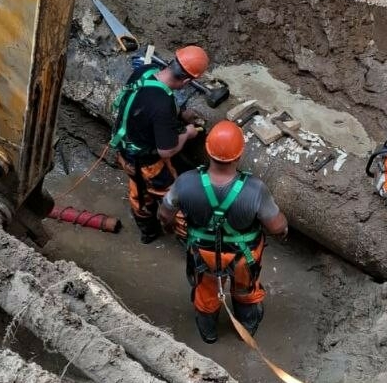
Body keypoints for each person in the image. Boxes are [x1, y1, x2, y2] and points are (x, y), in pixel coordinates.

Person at [159, 120, 288, 344]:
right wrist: (283, 230)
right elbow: (278, 227)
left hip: (203, 255)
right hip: (243, 256)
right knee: (245, 291)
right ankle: (246, 329)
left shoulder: (185, 183)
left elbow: (165, 215)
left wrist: (170, 228)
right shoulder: (255, 189)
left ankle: (208, 334)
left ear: (208, 151)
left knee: (206, 292)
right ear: (239, 155)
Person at [111, 46, 209, 243]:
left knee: (138, 193)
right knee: (174, 199)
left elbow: (146, 106)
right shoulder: (162, 104)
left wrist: (180, 115)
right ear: (188, 80)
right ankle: (190, 241)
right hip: (149, 164)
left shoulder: (144, 71)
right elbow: (166, 150)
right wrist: (187, 134)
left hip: (124, 152)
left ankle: (148, 234)